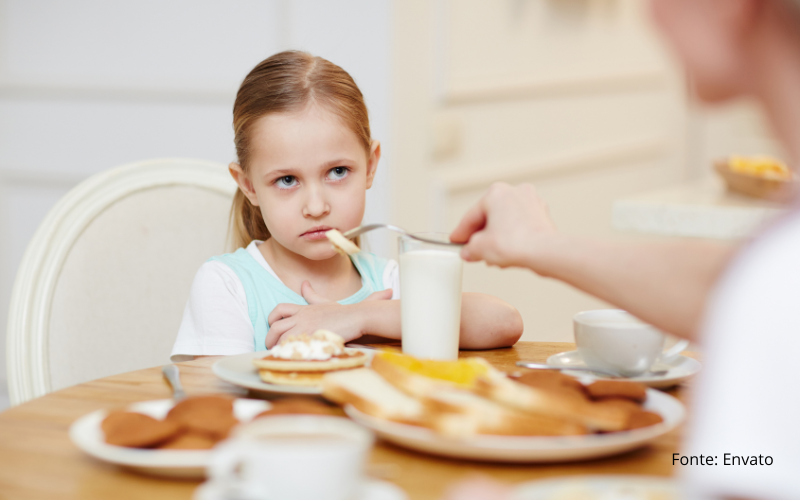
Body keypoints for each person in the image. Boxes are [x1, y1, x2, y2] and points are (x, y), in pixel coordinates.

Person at [447, 0, 800, 498]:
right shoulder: (775, 271)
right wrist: (540, 246)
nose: (652, 16)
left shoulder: (779, 278)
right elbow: (729, 287)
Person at [171, 51, 523, 360]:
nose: (316, 205)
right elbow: (214, 402)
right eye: (287, 180)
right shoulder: (227, 284)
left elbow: (504, 322)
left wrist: (358, 319)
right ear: (248, 185)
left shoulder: (389, 283)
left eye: (337, 172)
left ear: (370, 165)